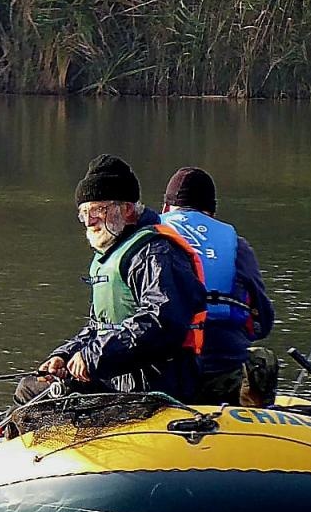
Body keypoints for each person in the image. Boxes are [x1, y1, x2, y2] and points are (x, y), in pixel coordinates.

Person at [17, 154, 207, 404]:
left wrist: (94, 357)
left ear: (127, 210)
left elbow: (162, 322)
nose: (90, 220)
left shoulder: (156, 252)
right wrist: (64, 355)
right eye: (84, 212)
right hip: (118, 379)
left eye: (98, 210)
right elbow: (98, 328)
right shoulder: (109, 257)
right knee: (31, 388)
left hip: (157, 383)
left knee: (48, 399)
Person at [157, 166, 277, 406]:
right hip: (224, 374)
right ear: (211, 212)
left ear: (166, 209)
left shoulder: (146, 240)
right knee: (264, 360)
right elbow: (263, 322)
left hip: (162, 378)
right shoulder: (237, 247)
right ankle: (253, 422)